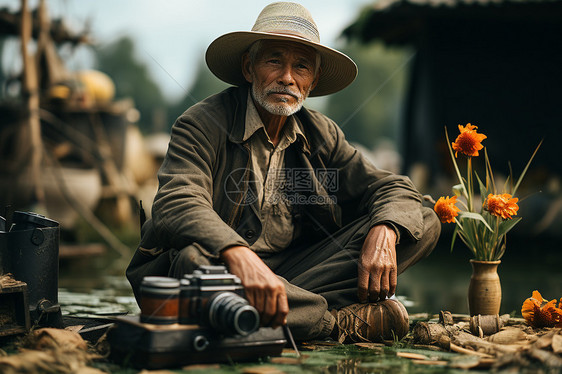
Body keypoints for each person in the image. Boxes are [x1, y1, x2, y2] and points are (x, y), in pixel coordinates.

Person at [126, 2, 440, 343]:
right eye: (274, 60)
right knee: (192, 262)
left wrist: (385, 230)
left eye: (301, 66)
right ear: (249, 67)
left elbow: (393, 187)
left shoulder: (322, 133)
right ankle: (334, 325)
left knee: (422, 219)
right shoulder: (201, 123)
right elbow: (178, 202)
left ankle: (284, 309)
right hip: (222, 271)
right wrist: (238, 253)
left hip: (295, 276)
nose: (287, 77)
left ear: (313, 80)